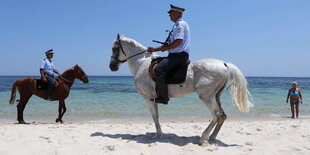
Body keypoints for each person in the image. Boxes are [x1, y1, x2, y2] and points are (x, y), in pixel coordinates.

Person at [147, 4, 190, 105]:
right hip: (176, 55)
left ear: (177, 13)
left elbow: (178, 42)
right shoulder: (177, 25)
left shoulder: (180, 25)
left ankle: (163, 97)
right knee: (157, 62)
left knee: (159, 69)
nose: (169, 15)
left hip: (178, 55)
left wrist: (156, 49)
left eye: (171, 13)